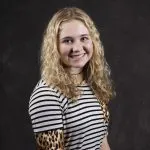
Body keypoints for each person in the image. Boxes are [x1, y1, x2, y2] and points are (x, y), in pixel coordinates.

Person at [28, 7, 115, 150]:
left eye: (84, 38)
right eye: (68, 41)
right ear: (54, 46)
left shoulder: (91, 84)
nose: (77, 48)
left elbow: (101, 141)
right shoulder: (47, 95)